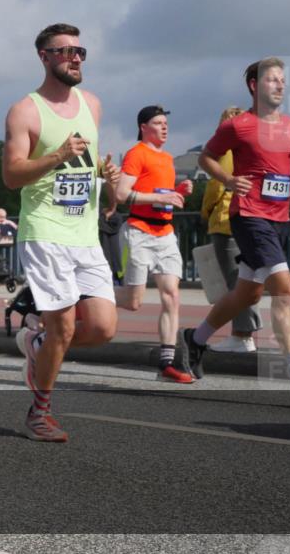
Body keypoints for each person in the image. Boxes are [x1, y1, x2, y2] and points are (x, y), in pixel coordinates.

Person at [181, 58, 290, 402]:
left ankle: (195, 340)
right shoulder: (239, 126)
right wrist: (229, 179)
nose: (280, 85)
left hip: (281, 220)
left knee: (248, 294)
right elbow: (206, 158)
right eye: (273, 80)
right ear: (254, 86)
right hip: (249, 215)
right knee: (284, 290)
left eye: (282, 80)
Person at [3, 23, 120, 441]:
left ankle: (36, 345)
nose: (76, 57)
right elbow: (12, 176)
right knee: (65, 327)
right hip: (45, 231)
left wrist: (107, 181)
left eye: (80, 51)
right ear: (44, 57)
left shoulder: (92, 105)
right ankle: (40, 412)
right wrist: (55, 156)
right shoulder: (26, 111)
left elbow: (86, 168)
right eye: (66, 51)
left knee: (104, 328)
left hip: (85, 234)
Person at [113, 106, 195, 383]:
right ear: (143, 126)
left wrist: (178, 192)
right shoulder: (137, 153)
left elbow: (162, 194)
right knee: (132, 301)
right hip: (138, 233)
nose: (164, 127)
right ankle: (86, 296)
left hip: (165, 234)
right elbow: (123, 194)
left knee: (172, 294)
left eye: (166, 123)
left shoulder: (168, 158)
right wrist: (160, 199)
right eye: (158, 123)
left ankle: (167, 364)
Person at [199, 106, 260, 353]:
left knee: (235, 281)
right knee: (247, 278)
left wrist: (205, 212)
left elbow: (215, 185)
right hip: (250, 215)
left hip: (226, 218)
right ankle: (245, 332)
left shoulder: (225, 150)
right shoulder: (252, 148)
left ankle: (242, 335)